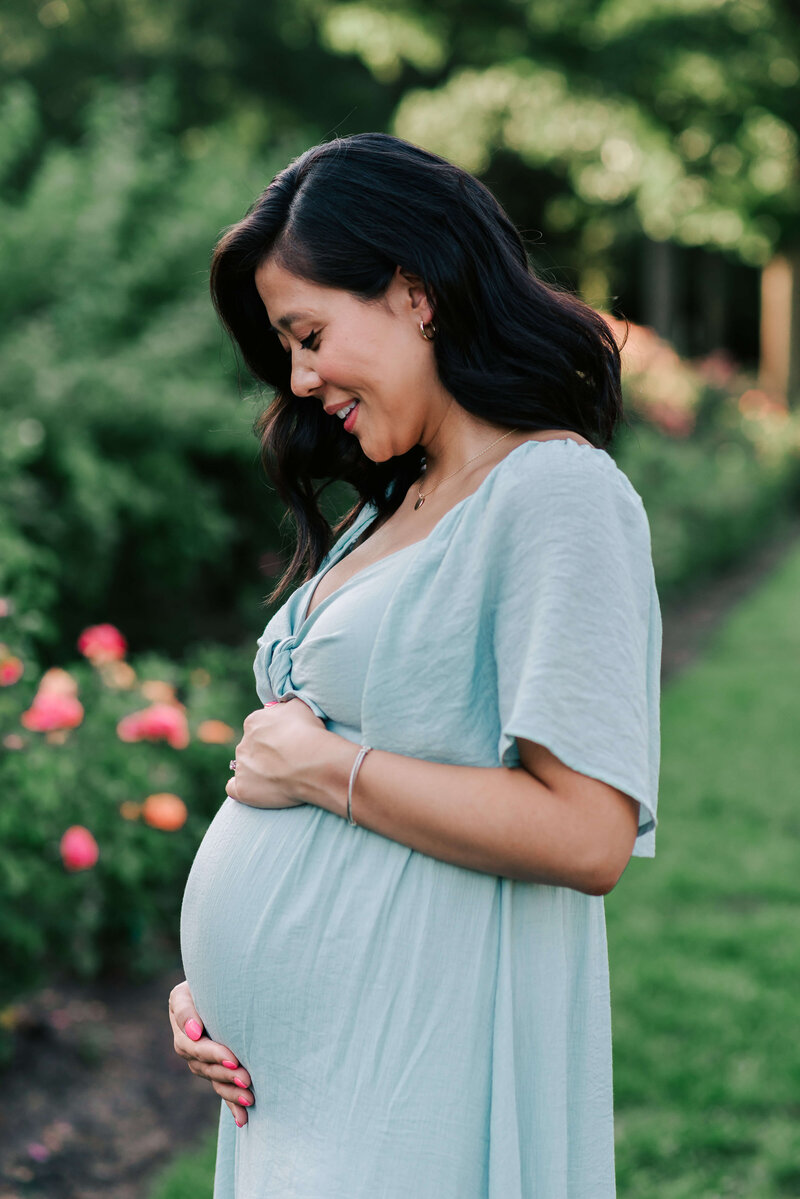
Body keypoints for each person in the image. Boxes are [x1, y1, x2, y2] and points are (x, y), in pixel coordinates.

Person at [170, 131, 662, 1199]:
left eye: (307, 333)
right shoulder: (390, 504)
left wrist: (314, 771)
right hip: (298, 1085)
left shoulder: (553, 496)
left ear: (412, 290)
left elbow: (586, 831)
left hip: (413, 1073)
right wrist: (207, 985)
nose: (299, 379)